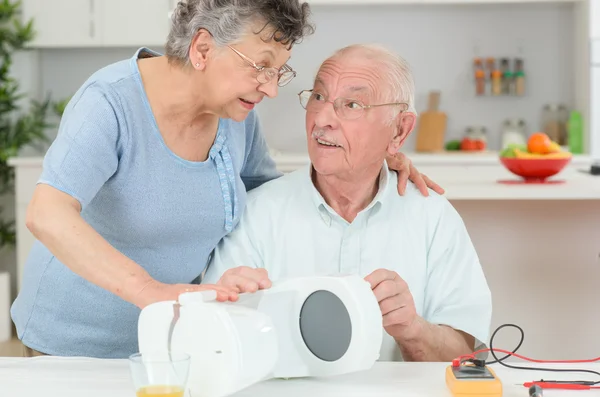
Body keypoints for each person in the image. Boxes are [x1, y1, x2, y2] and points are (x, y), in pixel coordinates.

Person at [10, 1, 442, 359]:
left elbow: (273, 197)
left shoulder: (235, 115)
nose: (271, 88)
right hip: (71, 348)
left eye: (280, 70)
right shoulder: (109, 103)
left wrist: (371, 166)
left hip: (175, 342)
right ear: (202, 49)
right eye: (262, 66)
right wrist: (152, 292)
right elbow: (46, 214)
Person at [203, 43, 492, 362]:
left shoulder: (433, 217)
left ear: (399, 130)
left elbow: (469, 359)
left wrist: (412, 329)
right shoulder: (257, 214)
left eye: (352, 104)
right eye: (318, 96)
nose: (323, 118)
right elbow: (210, 347)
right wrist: (232, 317)